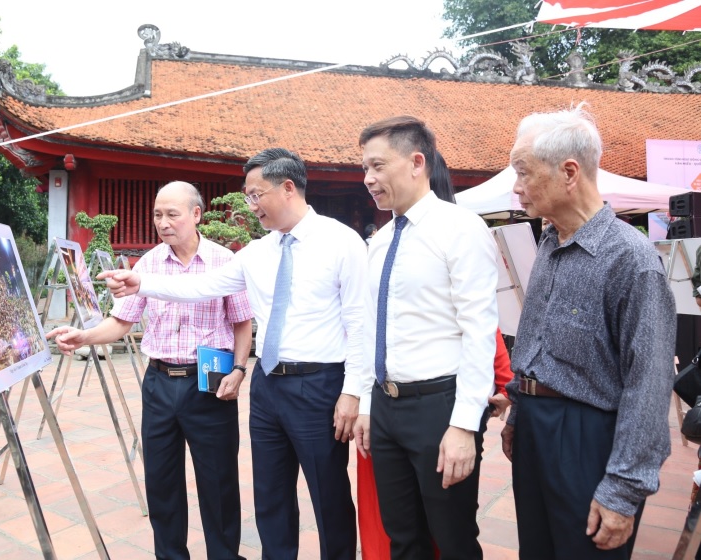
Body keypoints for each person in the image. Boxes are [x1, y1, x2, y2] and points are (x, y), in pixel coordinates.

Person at [100, 148, 367, 560]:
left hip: (320, 385)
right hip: (267, 388)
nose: (251, 205)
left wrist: (353, 392)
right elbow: (199, 286)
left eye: (256, 195)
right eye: (247, 196)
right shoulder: (256, 253)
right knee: (271, 497)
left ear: (289, 188)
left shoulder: (341, 242)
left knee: (328, 495)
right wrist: (141, 282)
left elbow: (360, 322)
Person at [501, 104, 676, 559]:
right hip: (537, 432)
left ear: (570, 172)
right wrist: (521, 411)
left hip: (587, 437)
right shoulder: (549, 241)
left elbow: (649, 384)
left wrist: (622, 490)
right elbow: (536, 341)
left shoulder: (630, 259)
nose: (516, 187)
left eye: (523, 172)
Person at [48, 181, 253, 560]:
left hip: (209, 383)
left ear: (196, 215)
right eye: (157, 214)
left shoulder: (226, 261)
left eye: (172, 214)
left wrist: (239, 369)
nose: (163, 222)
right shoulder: (148, 264)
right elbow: (121, 322)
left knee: (219, 481)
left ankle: (224, 555)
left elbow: (242, 322)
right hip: (158, 382)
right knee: (161, 480)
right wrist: (83, 336)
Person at [353, 116, 498, 559]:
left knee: (453, 539)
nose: (368, 179)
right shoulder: (379, 240)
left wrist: (462, 425)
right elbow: (368, 326)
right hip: (387, 408)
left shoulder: (461, 228)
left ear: (417, 162)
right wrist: (366, 401)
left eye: (378, 166)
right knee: (403, 538)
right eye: (364, 169)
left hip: (439, 407)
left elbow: (479, 331)